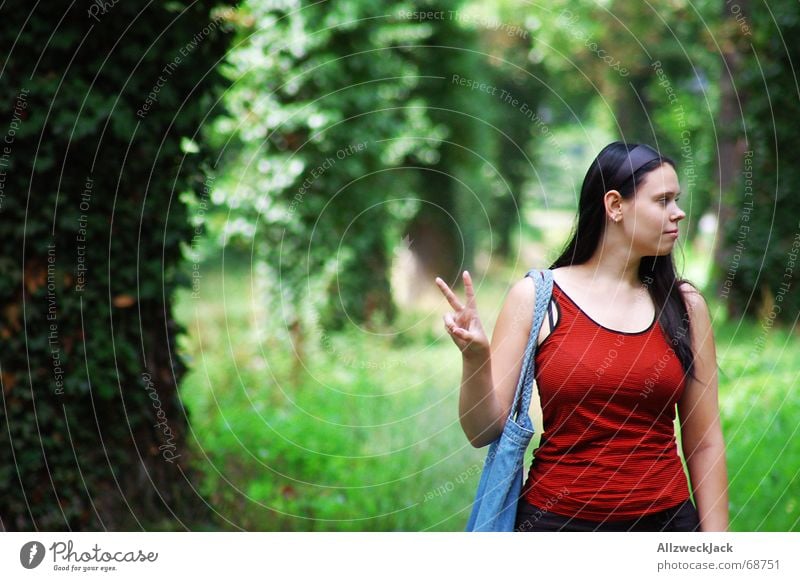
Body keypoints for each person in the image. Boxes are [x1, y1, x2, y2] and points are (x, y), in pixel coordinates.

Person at [434, 142, 729, 532]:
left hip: (668, 528)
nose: (679, 212)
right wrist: (474, 359)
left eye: (677, 199)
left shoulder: (685, 306)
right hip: (555, 527)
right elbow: (482, 431)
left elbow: (705, 443)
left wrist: (717, 553)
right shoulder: (538, 298)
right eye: (663, 200)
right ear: (615, 206)